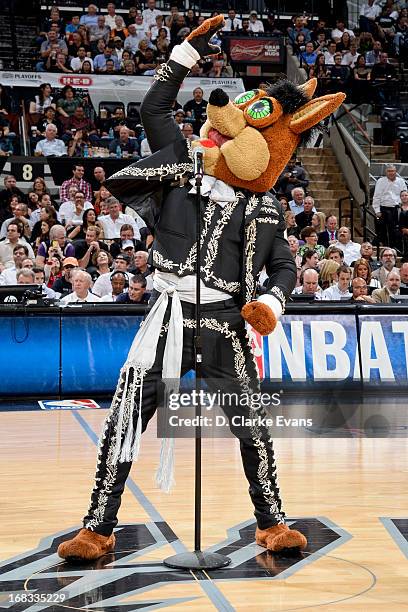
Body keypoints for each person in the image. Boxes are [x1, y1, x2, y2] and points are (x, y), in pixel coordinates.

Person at [57, 15, 343, 561]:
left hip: (224, 324)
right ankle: (97, 526)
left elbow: (283, 267)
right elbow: (153, 110)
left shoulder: (262, 206)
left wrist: (272, 301)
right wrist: (186, 52)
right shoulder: (181, 168)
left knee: (251, 427)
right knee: (124, 419)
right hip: (167, 317)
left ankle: (271, 521)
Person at [373, 165, 407, 248]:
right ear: (386, 172)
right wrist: (377, 210)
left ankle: (396, 248)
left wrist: (405, 207)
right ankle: (385, 246)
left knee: (396, 229)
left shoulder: (401, 181)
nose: (391, 173)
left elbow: (405, 194)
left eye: (393, 171)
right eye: (389, 171)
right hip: (384, 207)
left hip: (397, 208)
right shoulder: (381, 181)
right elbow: (376, 196)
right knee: (384, 229)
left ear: (395, 172)